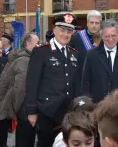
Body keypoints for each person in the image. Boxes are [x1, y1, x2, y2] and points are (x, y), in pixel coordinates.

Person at [25, 13, 80, 147]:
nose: (65, 34)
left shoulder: (74, 53)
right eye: (62, 30)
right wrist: (32, 112)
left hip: (68, 112)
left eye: (69, 31)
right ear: (54, 30)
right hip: (47, 112)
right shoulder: (41, 52)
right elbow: (32, 83)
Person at [0, 33, 39, 147]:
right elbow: (20, 89)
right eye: (37, 42)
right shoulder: (24, 61)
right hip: (21, 107)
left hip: (15, 105)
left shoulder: (22, 57)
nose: (39, 45)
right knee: (25, 139)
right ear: (28, 44)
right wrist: (16, 110)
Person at [81, 19, 118, 103]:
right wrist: (88, 104)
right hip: (97, 106)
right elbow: (85, 82)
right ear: (102, 36)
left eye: (113, 35)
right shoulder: (91, 55)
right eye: (107, 36)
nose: (110, 39)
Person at [69, 10, 102, 80]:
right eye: (91, 23)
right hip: (81, 79)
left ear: (100, 24)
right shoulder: (76, 37)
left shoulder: (105, 38)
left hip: (100, 79)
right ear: (87, 23)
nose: (94, 26)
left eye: (97, 23)